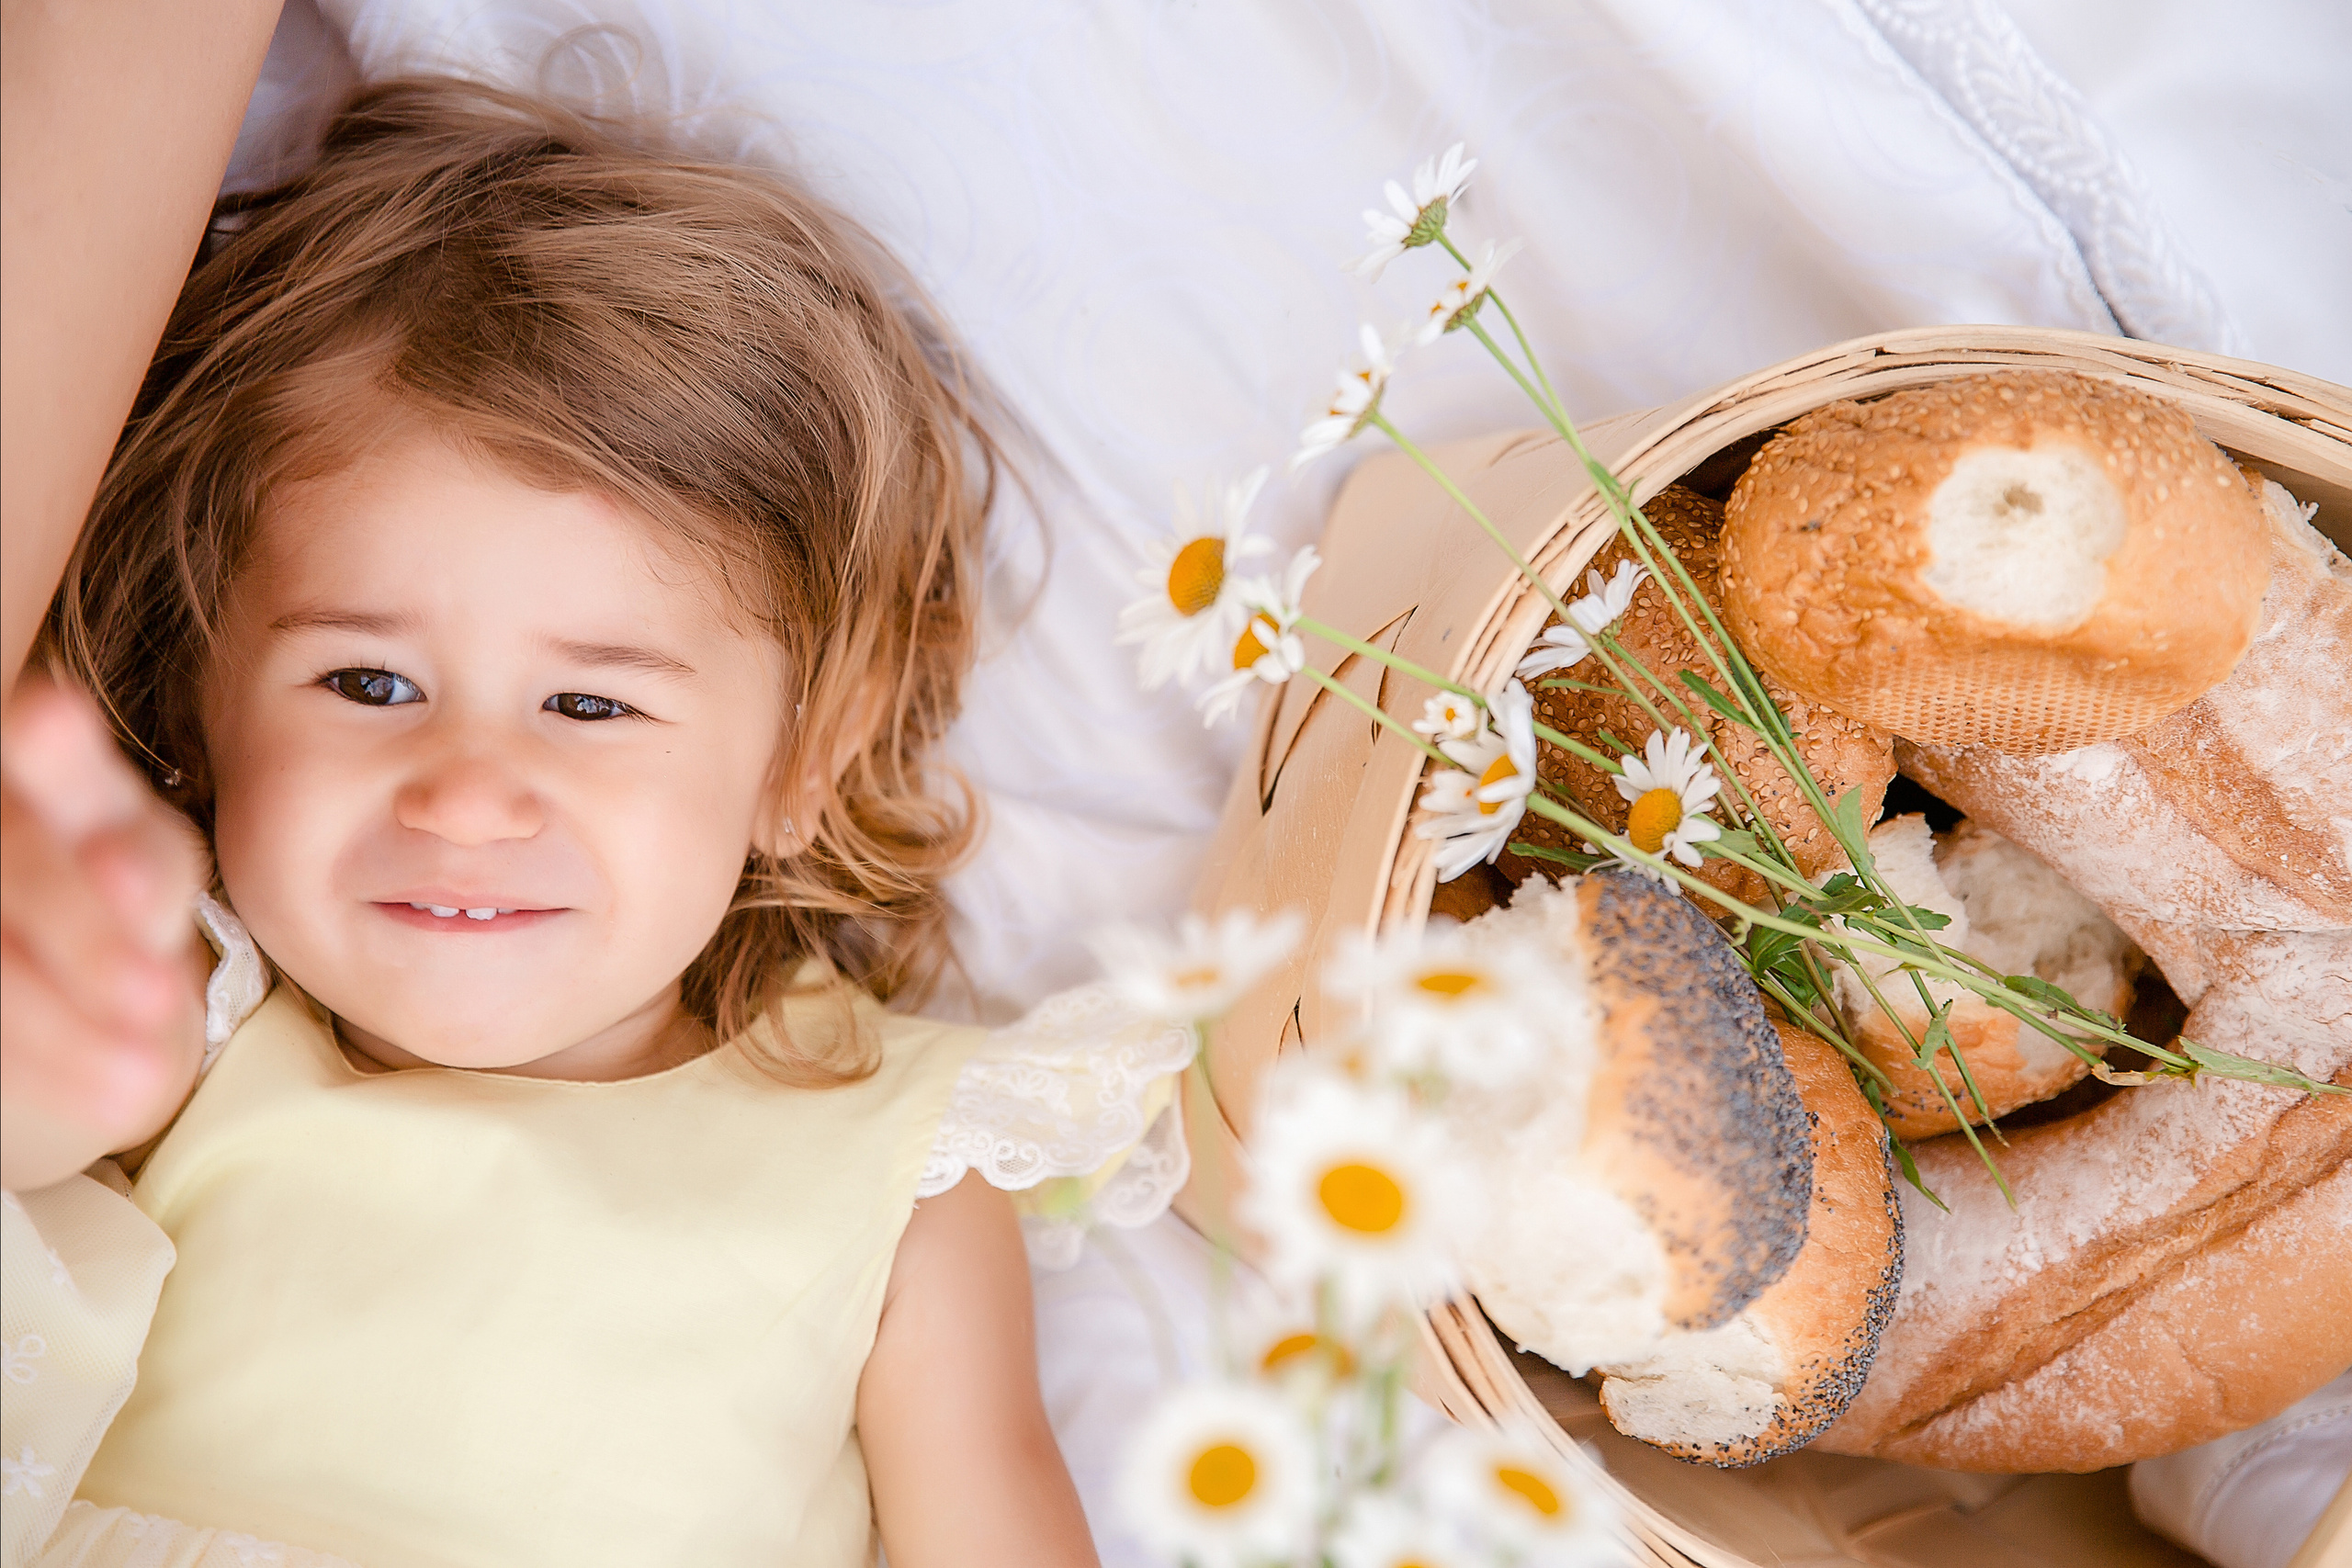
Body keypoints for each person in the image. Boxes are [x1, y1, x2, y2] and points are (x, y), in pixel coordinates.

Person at [0, 63, 1163, 1568]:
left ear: (802, 760)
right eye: (368, 682)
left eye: (591, 706)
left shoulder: (905, 1162)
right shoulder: (193, 1015)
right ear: (201, 705)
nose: (468, 792)